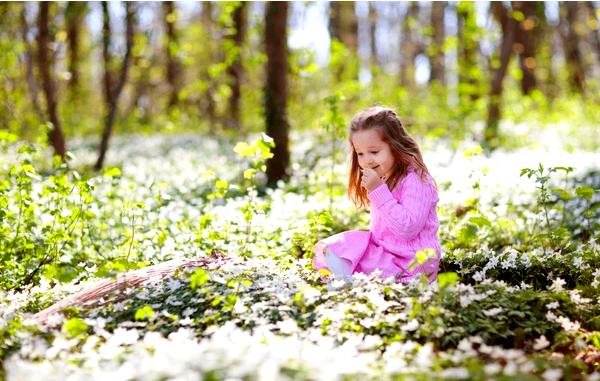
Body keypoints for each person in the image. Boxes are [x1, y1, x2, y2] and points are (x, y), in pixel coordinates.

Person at [313, 106, 441, 285]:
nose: (367, 160)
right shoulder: (386, 176)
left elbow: (407, 229)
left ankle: (350, 281)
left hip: (412, 262)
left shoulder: (416, 180)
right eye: (360, 153)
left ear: (395, 145)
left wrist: (378, 190)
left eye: (374, 152)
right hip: (385, 253)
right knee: (339, 246)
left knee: (351, 255)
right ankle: (348, 279)